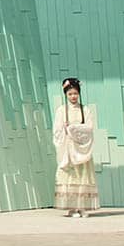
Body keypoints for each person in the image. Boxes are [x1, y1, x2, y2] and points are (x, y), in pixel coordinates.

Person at [53, 77, 98, 218]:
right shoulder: (61, 110)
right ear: (66, 95)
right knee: (71, 177)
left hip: (81, 148)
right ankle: (72, 207)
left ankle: (83, 206)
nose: (73, 96)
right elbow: (57, 130)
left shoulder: (85, 110)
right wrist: (66, 131)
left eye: (75, 94)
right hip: (68, 149)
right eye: (70, 94)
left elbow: (89, 128)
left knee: (83, 177)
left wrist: (74, 129)